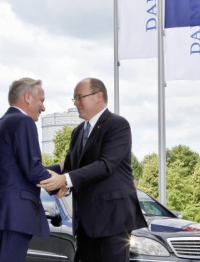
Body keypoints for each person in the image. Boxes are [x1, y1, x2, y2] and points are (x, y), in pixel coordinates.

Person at [39, 77, 147, 262]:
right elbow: (70, 167)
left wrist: (65, 180)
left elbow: (106, 165)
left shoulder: (117, 125)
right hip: (85, 223)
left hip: (112, 220)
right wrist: (34, 172)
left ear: (98, 96)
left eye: (80, 97)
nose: (76, 103)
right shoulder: (78, 132)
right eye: (74, 98)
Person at [0, 78, 62, 262]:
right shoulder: (23, 122)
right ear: (27, 97)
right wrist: (59, 186)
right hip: (12, 217)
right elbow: (32, 170)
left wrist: (59, 168)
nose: (43, 107)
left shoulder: (1, 124)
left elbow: (16, 170)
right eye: (41, 101)